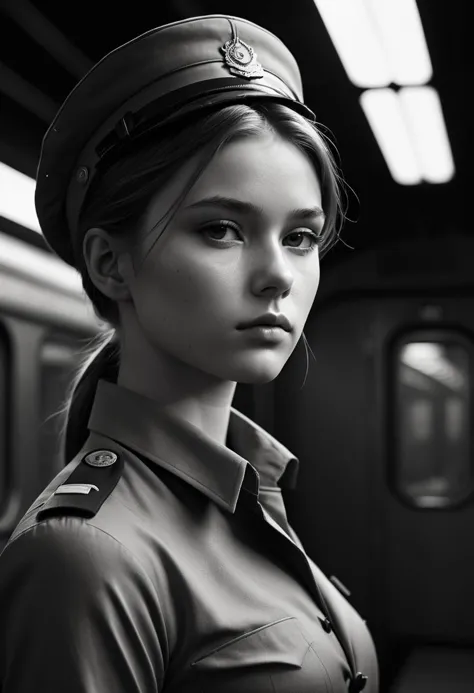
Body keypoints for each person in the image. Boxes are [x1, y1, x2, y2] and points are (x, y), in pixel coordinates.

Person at [0, 14, 378, 693]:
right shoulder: (84, 556)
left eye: (300, 237)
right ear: (112, 264)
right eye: (223, 229)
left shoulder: (250, 491)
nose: (279, 275)